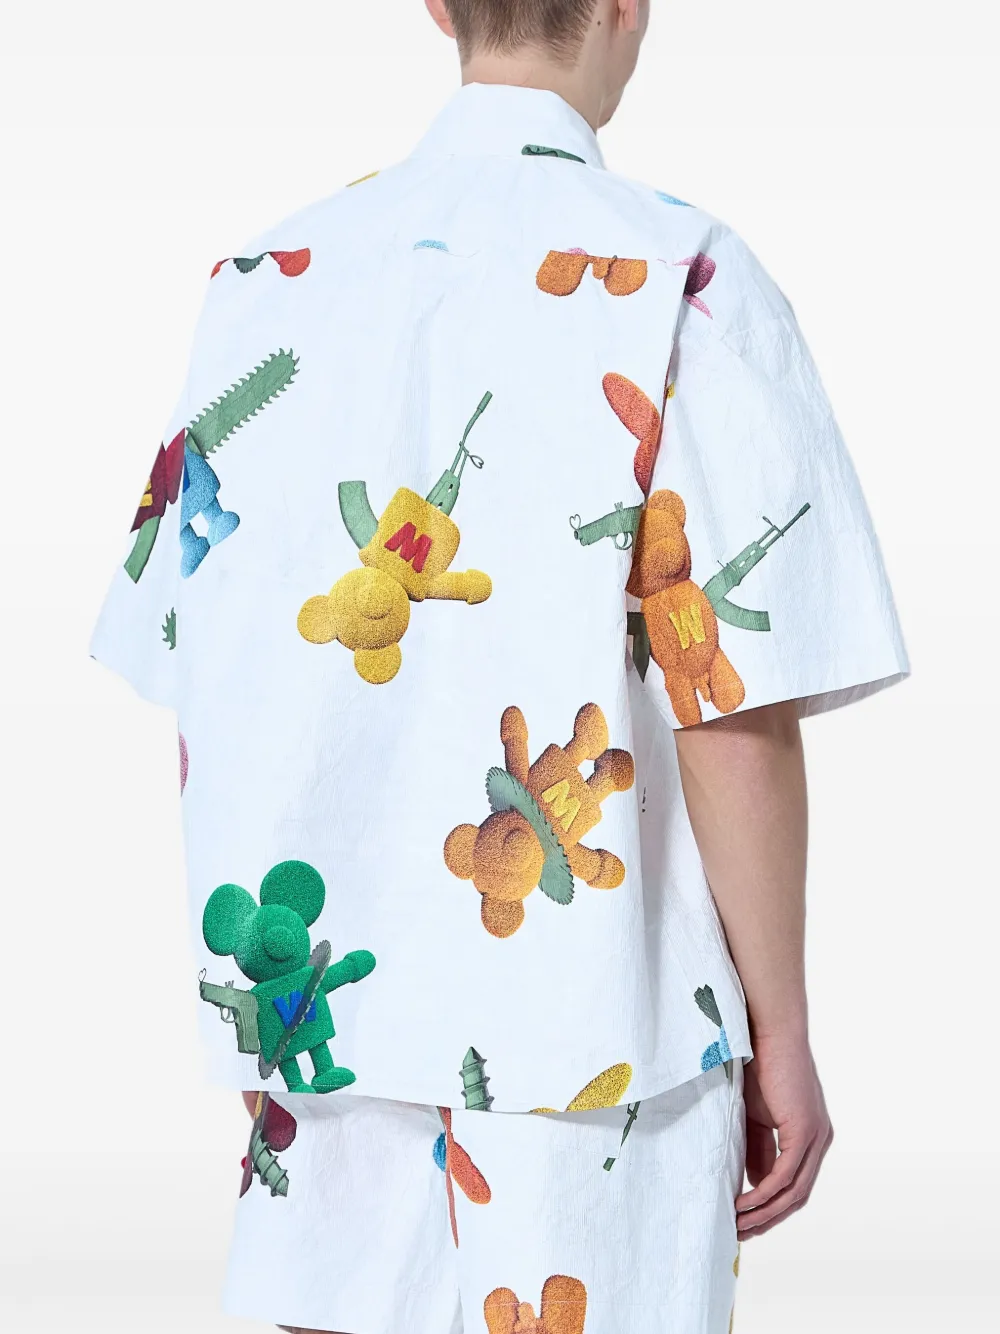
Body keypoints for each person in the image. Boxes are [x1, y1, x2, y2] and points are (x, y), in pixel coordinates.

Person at [90, 2, 908, 1331]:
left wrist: (272, 984)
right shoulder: (684, 277)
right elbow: (728, 701)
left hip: (324, 1037)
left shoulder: (264, 281)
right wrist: (786, 1029)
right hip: (600, 1045)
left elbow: (204, 669)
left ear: (436, 3)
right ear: (627, 6)